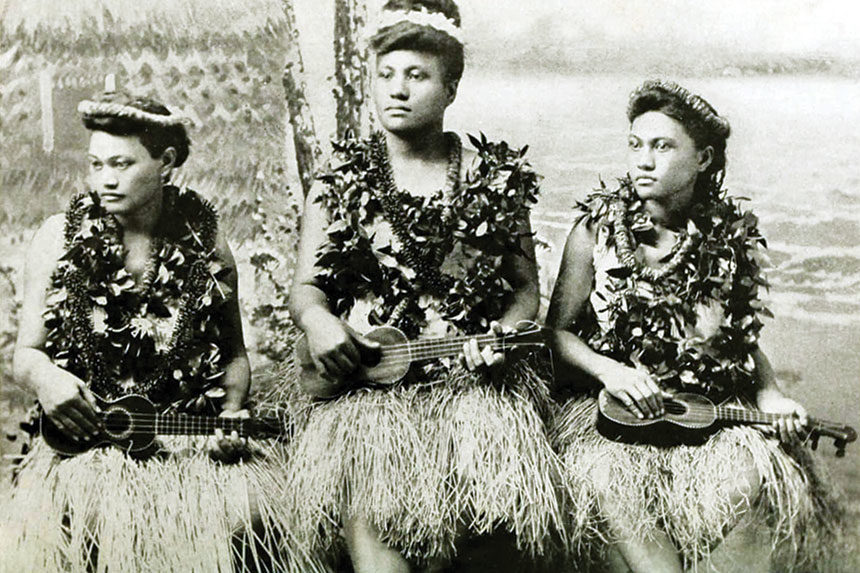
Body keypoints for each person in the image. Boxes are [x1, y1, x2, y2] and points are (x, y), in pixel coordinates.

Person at [283, 1, 571, 570]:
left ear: (451, 87)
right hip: (371, 396)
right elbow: (306, 291)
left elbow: (523, 291)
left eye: (417, 76)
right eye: (385, 75)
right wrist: (320, 323)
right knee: (381, 552)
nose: (397, 90)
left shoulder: (492, 179)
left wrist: (501, 336)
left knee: (483, 546)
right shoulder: (341, 181)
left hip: (471, 389)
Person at [546, 79, 839, 572]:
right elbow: (556, 334)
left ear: (702, 159)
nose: (643, 161)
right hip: (613, 423)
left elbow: (741, 341)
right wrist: (610, 371)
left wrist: (770, 394)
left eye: (662, 146)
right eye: (636, 145)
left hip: (707, 418)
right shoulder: (596, 230)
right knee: (620, 509)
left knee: (743, 507)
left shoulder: (730, 241)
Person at [0, 90, 291, 572]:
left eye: (122, 164)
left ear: (166, 162)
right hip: (91, 449)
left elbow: (234, 353)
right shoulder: (57, 237)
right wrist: (47, 381)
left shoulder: (205, 239)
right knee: (92, 522)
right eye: (96, 164)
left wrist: (233, 413)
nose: (105, 180)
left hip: (185, 444)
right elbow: (25, 356)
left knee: (248, 520)